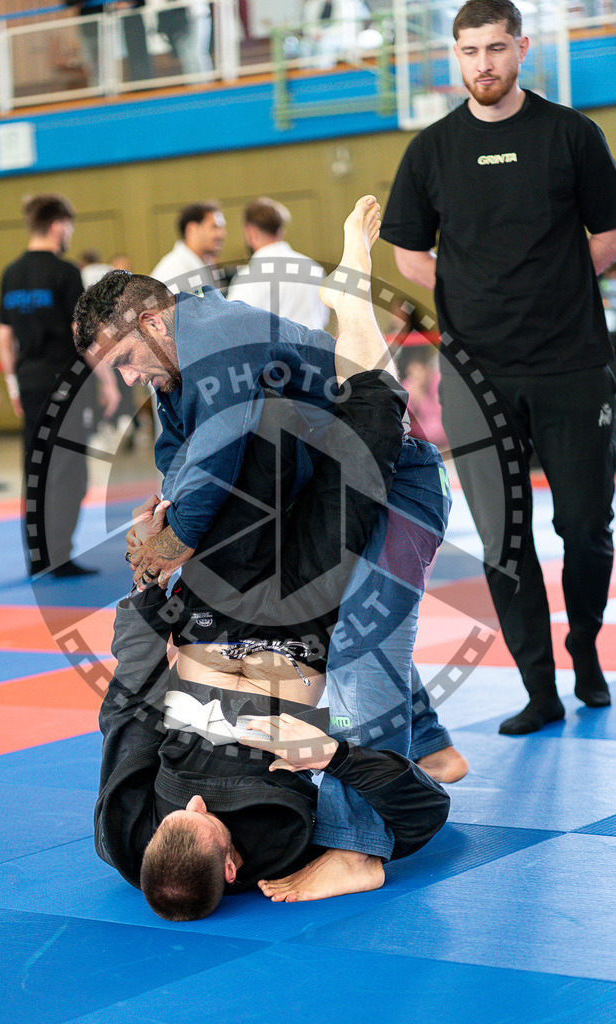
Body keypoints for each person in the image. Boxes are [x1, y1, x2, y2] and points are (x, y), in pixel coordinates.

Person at [78, 197, 464, 918]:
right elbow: (185, 456)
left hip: (346, 487)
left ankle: (360, 848)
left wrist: (153, 590)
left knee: (362, 632)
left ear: (151, 323)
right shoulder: (280, 839)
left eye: (126, 359)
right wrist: (337, 758)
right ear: (231, 865)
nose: (128, 376)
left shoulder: (124, 831)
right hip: (307, 528)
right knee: (358, 630)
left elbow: (125, 718)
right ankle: (420, 759)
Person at [380, 0, 616, 735]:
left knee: (584, 527)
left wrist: (550, 288)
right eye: (466, 51)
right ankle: (537, 687)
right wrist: (471, 295)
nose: (480, 64)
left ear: (520, 50)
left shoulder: (570, 135)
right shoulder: (430, 151)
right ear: (454, 57)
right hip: (474, 374)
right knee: (503, 538)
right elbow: (407, 252)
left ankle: (584, 649)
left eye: (493, 48)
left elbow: (607, 234)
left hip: (571, 364)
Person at [0, 194, 119, 576]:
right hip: (62, 384)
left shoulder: (10, 273)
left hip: (30, 382)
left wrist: (13, 386)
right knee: (68, 470)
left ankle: (38, 556)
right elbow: (78, 333)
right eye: (69, 226)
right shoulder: (65, 272)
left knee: (35, 469)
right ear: (57, 225)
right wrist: (108, 378)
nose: (70, 233)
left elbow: (3, 336)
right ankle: (59, 555)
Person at [227, 197, 328, 330]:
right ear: (281, 229)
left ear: (250, 232)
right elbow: (323, 318)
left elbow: (232, 325)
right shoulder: (314, 268)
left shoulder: (249, 277)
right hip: (315, 349)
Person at [64, 1, 155, 84]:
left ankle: (143, 86)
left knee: (137, 54)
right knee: (97, 61)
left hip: (127, 17)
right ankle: (103, 92)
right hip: (94, 20)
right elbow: (70, 2)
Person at [149, 201, 227, 294]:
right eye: (214, 227)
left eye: (222, 228)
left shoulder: (206, 265)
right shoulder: (174, 269)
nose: (222, 234)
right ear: (191, 229)